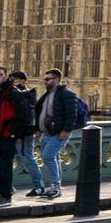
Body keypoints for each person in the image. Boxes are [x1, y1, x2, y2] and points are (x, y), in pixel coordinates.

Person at [0, 70, 30, 207]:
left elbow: (24, 114)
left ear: (6, 77)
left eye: (0, 75)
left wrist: (14, 132)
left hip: (7, 134)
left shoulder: (13, 93)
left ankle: (5, 196)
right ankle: (6, 187)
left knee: (5, 165)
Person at [36, 67, 81, 200]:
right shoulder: (46, 95)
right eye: (45, 79)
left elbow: (72, 115)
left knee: (48, 157)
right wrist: (38, 130)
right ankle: (56, 186)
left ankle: (55, 186)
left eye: (48, 79)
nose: (45, 81)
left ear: (56, 80)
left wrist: (66, 130)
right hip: (47, 133)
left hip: (58, 133)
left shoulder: (67, 94)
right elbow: (40, 113)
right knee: (53, 158)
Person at [12, 71, 46, 198]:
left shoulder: (27, 94)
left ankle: (39, 186)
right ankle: (5, 186)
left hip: (24, 133)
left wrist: (20, 135)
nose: (13, 83)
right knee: (5, 160)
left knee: (28, 158)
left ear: (23, 81)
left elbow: (27, 116)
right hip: (13, 132)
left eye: (15, 80)